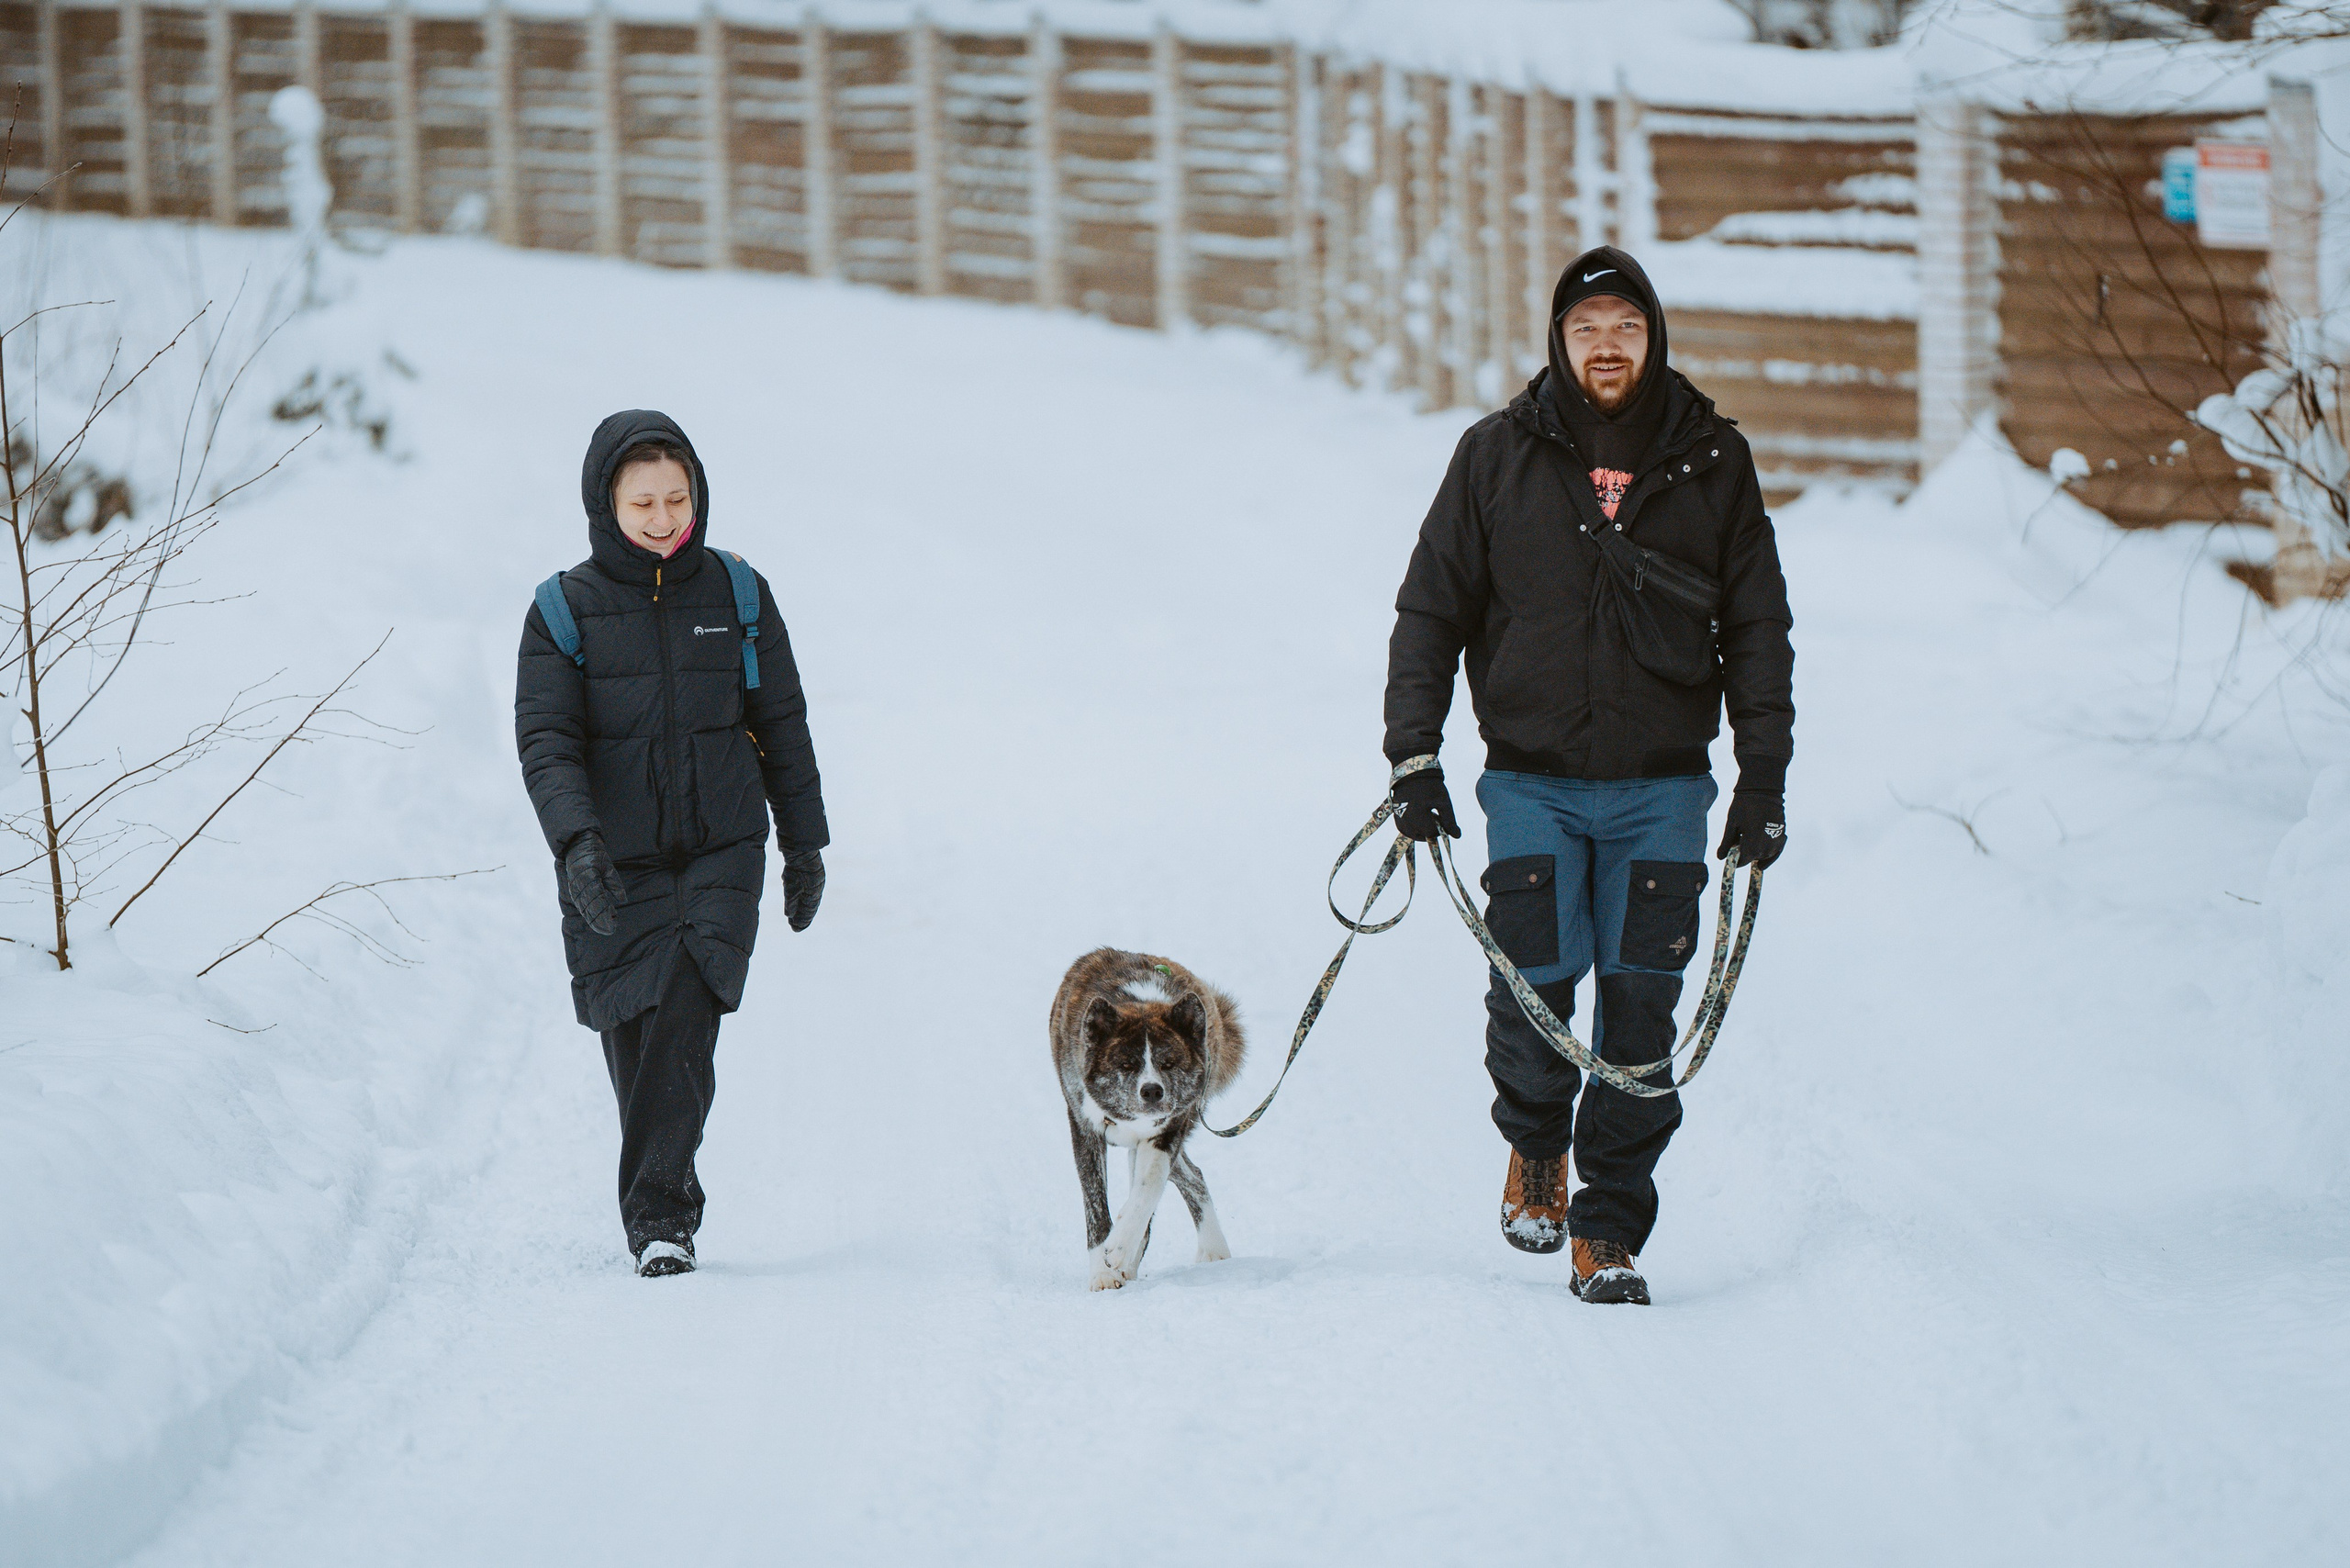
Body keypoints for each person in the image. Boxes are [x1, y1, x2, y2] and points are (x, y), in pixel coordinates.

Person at [1381, 248, 1794, 1305]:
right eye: (1585, 328)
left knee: (1642, 1021)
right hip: (1530, 779)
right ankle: (1534, 1146)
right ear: (1558, 343)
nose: (1605, 346)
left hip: (1664, 787)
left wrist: (1761, 781)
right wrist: (1414, 755)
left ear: (1653, 339)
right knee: (1532, 994)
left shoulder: (1712, 459)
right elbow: (1431, 610)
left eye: (1625, 327)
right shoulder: (1494, 457)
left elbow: (1756, 629)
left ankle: (1607, 1227)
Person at [516, 409, 828, 1278]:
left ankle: (661, 1217)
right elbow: (547, 741)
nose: (663, 518)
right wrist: (575, 843)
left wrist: (805, 845)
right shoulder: (561, 613)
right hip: (615, 857)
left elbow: (783, 724)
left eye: (677, 498)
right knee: (637, 1029)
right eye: (643, 501)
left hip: (725, 845)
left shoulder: (737, 593)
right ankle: (660, 1184)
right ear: (604, 503)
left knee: (690, 1002)